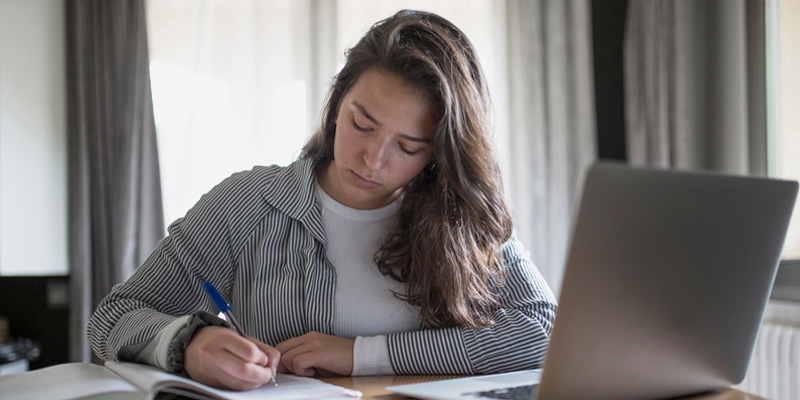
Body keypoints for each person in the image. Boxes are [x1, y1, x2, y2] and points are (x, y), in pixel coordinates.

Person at [88, 9, 557, 391]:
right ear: (336, 105)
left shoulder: (462, 216)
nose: (372, 160)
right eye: (362, 124)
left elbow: (544, 330)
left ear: (438, 155)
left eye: (407, 147)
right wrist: (188, 345)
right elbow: (112, 318)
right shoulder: (248, 204)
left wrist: (360, 354)